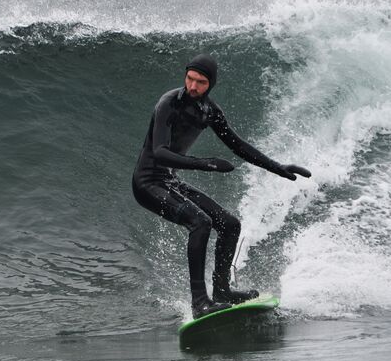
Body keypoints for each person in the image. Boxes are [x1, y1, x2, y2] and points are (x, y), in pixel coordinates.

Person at [132, 54, 311, 319]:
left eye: (201, 82)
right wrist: (205, 164)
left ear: (210, 84)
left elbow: (238, 146)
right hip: (147, 182)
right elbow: (159, 152)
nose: (193, 86)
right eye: (190, 79)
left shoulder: (209, 112)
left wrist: (278, 167)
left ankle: (222, 291)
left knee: (229, 224)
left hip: (169, 180)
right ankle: (200, 303)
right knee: (200, 223)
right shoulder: (168, 104)